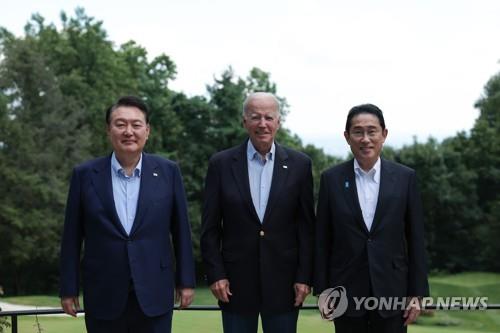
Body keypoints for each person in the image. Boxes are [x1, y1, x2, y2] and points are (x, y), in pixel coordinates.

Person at [59, 96, 196, 333]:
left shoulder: (168, 172)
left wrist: (186, 282)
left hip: (155, 292)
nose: (128, 131)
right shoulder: (84, 175)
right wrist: (68, 288)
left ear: (147, 130)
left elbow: (181, 230)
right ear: (108, 130)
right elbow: (71, 237)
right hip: (103, 292)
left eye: (136, 124)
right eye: (120, 124)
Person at [200, 92, 315, 333]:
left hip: (285, 287)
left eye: (268, 117)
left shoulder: (300, 165)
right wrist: (215, 274)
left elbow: (306, 228)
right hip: (234, 286)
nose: (262, 124)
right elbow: (210, 228)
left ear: (278, 122)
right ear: (244, 122)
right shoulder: (220, 164)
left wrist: (305, 276)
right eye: (255, 117)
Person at [314, 104, 429, 333]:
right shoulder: (331, 179)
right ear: (347, 137)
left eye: (372, 131)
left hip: (392, 292)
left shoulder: (405, 178)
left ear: (384, 134)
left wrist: (417, 293)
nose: (365, 139)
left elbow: (415, 238)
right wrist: (324, 291)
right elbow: (322, 239)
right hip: (345, 294)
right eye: (358, 132)